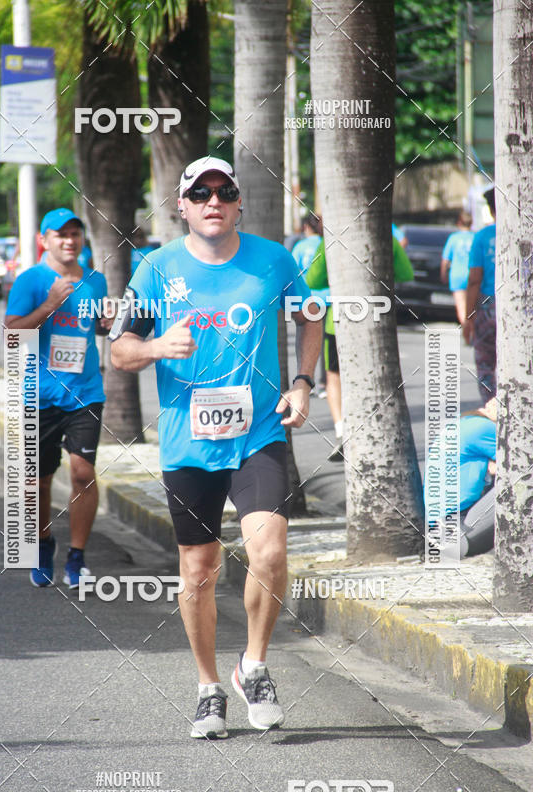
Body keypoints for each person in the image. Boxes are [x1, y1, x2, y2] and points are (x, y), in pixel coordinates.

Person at [110, 157, 321, 739]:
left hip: (259, 433)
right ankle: (208, 688)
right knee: (198, 570)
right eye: (199, 193)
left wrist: (303, 381)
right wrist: (156, 348)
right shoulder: (156, 269)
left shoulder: (273, 260)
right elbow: (119, 351)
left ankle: (252, 665)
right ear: (181, 206)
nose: (212, 202)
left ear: (237, 204)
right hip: (189, 441)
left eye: (224, 192)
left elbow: (311, 317)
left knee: (270, 554)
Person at [5, 208, 110, 589]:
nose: (69, 240)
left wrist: (106, 323)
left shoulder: (96, 281)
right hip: (38, 394)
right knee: (39, 482)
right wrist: (49, 304)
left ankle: (78, 555)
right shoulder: (31, 279)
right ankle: (44, 542)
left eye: (75, 233)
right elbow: (12, 334)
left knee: (82, 473)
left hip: (85, 392)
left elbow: (96, 324)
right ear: (44, 240)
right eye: (60, 234)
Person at [305, 234, 413, 461]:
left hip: (340, 321)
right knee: (376, 376)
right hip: (378, 319)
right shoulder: (385, 236)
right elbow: (406, 274)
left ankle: (341, 431)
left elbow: (313, 280)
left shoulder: (332, 239)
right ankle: (375, 430)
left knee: (334, 376)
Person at [424, 398, 497, 558]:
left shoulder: (466, 422)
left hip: (443, 530)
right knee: (523, 480)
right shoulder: (484, 428)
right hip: (458, 533)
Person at [464, 187, 496, 401]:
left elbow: (475, 279)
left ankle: (492, 409)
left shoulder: (483, 237)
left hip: (488, 306)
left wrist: (469, 318)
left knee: (485, 363)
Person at [440, 211, 474, 325]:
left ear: (459, 222)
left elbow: (445, 260)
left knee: (461, 306)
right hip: (473, 275)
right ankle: (473, 330)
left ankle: (466, 329)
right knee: (473, 306)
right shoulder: (476, 237)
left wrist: (443, 275)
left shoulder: (453, 238)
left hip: (457, 275)